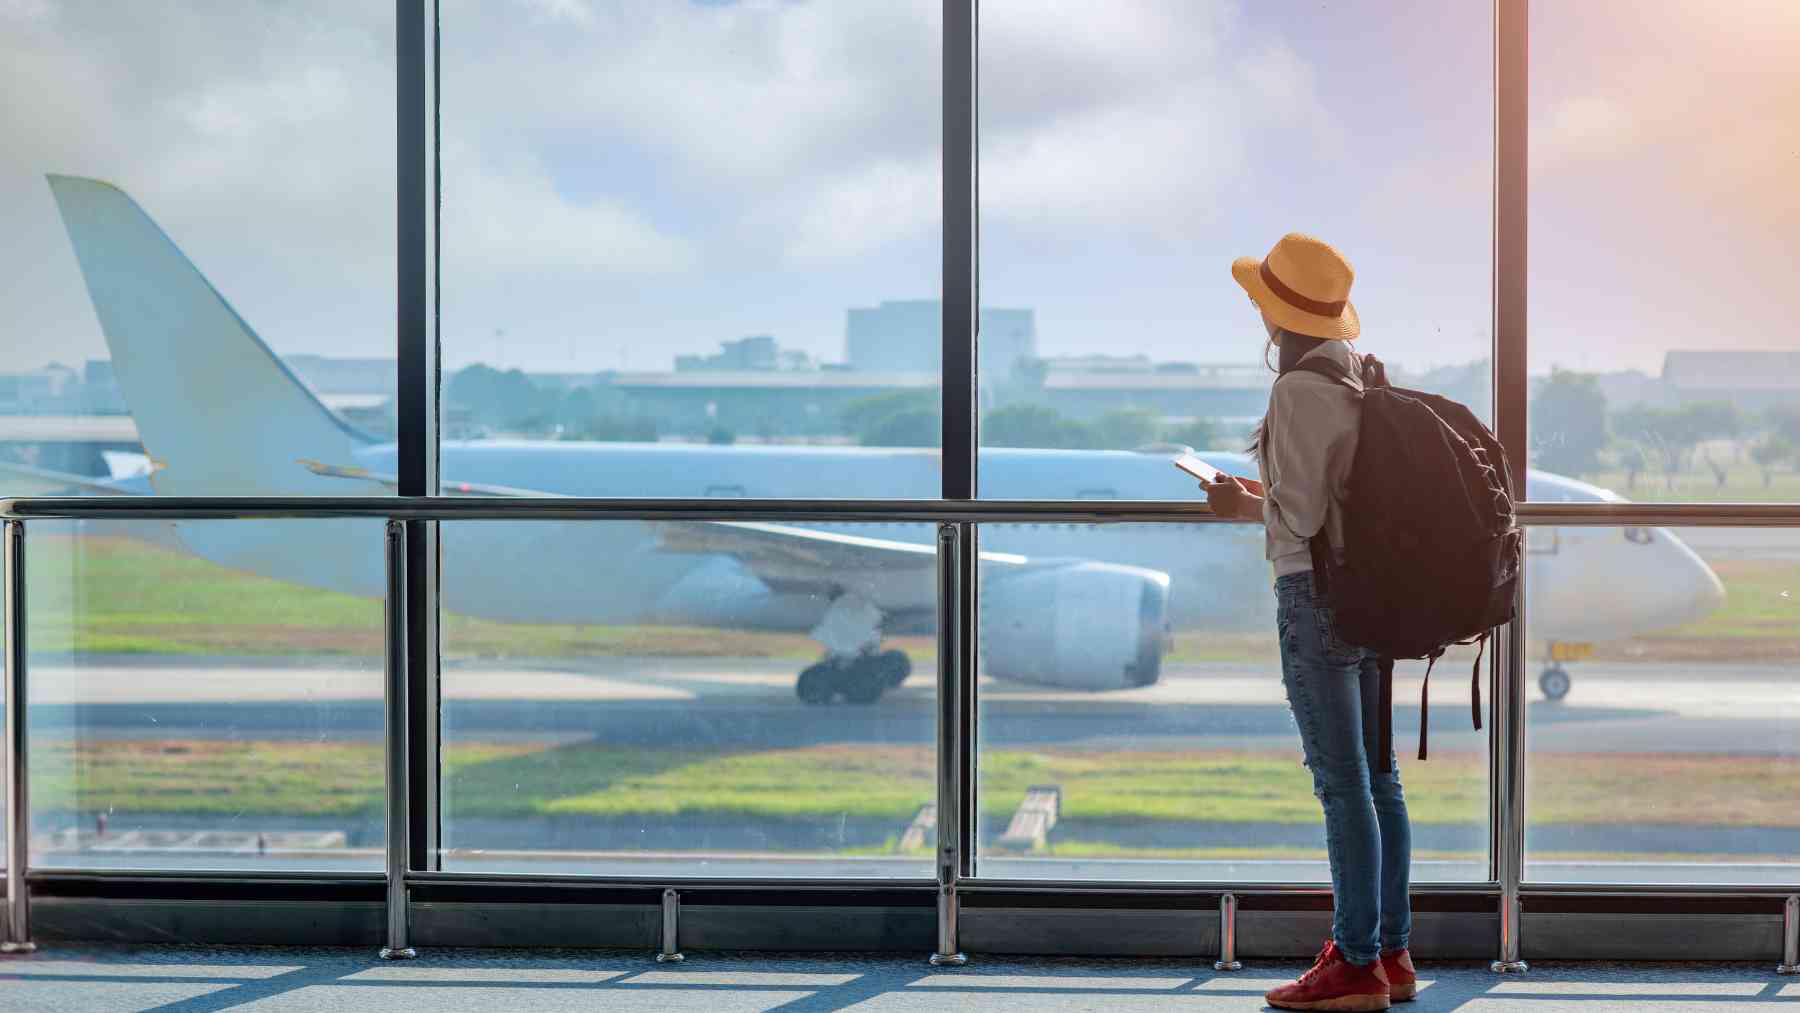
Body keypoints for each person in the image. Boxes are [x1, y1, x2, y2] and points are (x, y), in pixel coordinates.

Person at [1199, 233, 1416, 1011]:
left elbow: (1299, 517)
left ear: (1276, 314)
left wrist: (1237, 503)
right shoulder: (1360, 377)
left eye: (1262, 300)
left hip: (1316, 598)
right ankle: (1391, 952)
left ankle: (1354, 967)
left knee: (1342, 784)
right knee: (1380, 780)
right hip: (1372, 597)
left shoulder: (1297, 391)